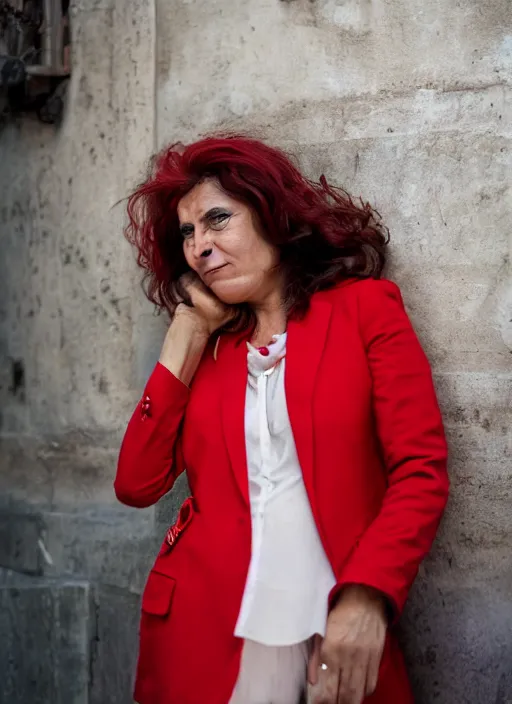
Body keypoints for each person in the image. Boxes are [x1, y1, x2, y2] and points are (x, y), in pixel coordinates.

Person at [114, 135, 449, 704]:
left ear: (271, 214)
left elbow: (420, 471)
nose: (200, 246)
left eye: (218, 219)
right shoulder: (211, 350)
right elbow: (136, 483)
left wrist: (368, 596)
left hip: (332, 635)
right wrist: (188, 332)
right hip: (208, 640)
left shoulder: (366, 310)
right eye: (188, 233)